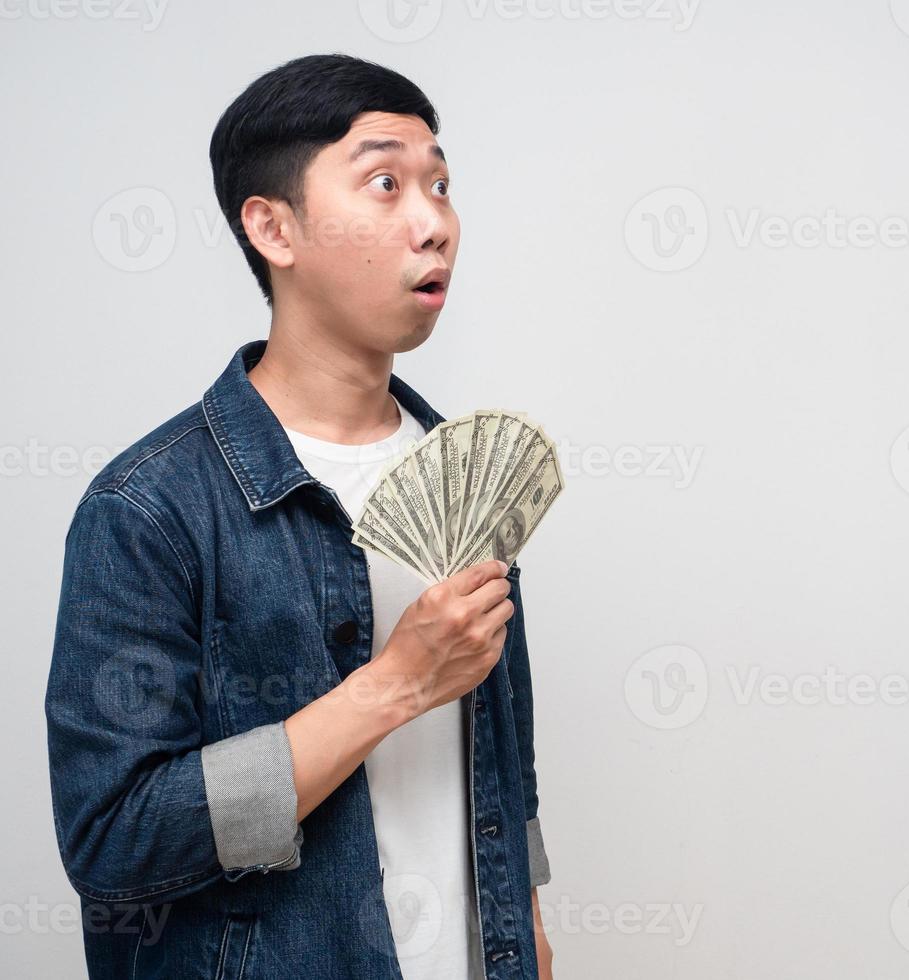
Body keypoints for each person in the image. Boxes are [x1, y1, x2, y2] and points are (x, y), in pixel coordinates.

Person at [43, 52, 554, 980]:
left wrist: (529, 928)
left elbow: (501, 776)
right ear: (272, 227)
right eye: (387, 181)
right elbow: (114, 847)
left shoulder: (468, 478)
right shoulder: (148, 508)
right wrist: (393, 686)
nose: (433, 221)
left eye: (441, 184)